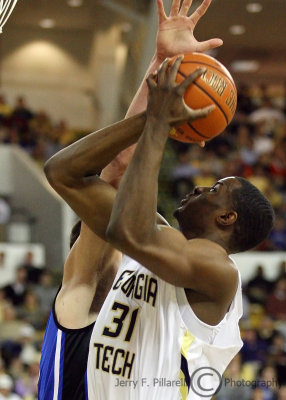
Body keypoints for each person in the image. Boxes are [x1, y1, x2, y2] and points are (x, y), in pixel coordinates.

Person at [39, 2, 274, 400]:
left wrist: (161, 122)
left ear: (227, 218)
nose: (200, 187)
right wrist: (160, 73)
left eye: (214, 190)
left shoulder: (219, 274)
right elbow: (79, 172)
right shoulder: (136, 252)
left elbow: (130, 229)